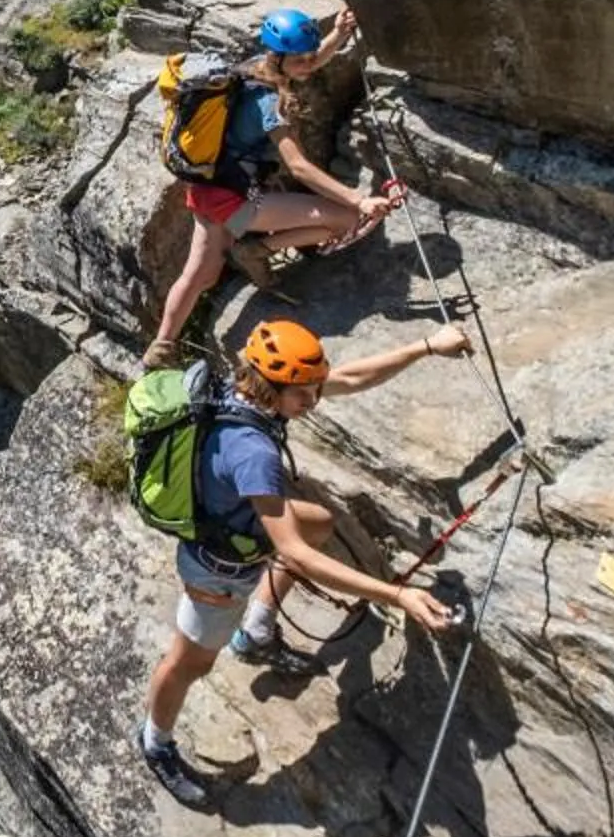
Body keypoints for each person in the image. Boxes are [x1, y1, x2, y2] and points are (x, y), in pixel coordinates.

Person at [136, 316, 473, 808]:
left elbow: (352, 378)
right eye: (304, 395)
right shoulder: (253, 453)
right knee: (188, 664)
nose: (313, 402)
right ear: (274, 389)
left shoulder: (243, 388)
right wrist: (399, 595)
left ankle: (255, 632)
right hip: (217, 571)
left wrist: (426, 346)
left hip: (236, 522)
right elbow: (295, 554)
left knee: (317, 521)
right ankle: (155, 742)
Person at [143, 6, 391, 369]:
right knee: (346, 218)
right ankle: (255, 250)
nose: (308, 64)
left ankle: (162, 347)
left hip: (210, 190)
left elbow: (310, 61)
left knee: (201, 275)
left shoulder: (255, 67)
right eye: (301, 59)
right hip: (238, 200)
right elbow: (299, 167)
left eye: (309, 57)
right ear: (280, 58)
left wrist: (336, 36)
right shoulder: (266, 104)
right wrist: (359, 198)